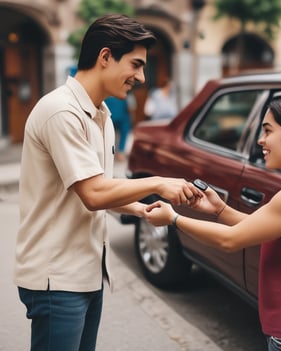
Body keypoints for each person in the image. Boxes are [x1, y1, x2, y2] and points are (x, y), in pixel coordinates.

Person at [14, 14, 201, 351]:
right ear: (104, 57)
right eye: (136, 64)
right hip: (57, 277)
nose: (141, 77)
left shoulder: (102, 115)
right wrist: (159, 182)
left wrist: (143, 211)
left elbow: (103, 189)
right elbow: (94, 193)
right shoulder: (61, 111)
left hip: (87, 272)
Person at [145, 97, 281, 351]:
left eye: (268, 131)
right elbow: (257, 228)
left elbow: (230, 240)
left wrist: (173, 218)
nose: (260, 140)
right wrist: (219, 209)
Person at [105, 94, 135, 161]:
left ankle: (119, 152)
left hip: (119, 119)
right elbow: (131, 109)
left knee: (123, 131)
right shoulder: (126, 94)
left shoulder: (127, 95)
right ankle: (118, 152)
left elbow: (131, 108)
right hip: (111, 119)